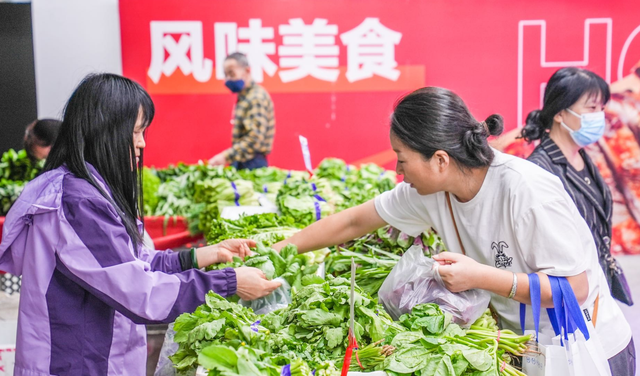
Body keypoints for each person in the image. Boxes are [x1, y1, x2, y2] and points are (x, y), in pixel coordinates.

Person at [272, 87, 634, 375]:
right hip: (531, 349)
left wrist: (481, 277)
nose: (398, 170)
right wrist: (277, 250)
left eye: (402, 158)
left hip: (588, 348)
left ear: (440, 160)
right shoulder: (431, 191)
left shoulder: (525, 191)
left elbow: (575, 287)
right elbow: (352, 222)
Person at [0, 73, 281, 376]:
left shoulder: (87, 190)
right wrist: (230, 282)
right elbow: (140, 292)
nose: (142, 143)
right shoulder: (77, 202)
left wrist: (202, 255)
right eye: (135, 132)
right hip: (75, 364)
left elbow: (134, 262)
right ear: (105, 131)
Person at [522, 67, 634, 311]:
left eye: (602, 108)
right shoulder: (539, 170)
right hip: (572, 295)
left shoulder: (583, 157)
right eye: (591, 109)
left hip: (598, 284)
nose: (600, 116)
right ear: (561, 113)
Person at [208, 52, 275, 170]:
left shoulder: (256, 98)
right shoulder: (245, 97)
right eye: (226, 75)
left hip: (252, 163)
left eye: (232, 74)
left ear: (247, 71)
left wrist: (225, 157)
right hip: (241, 160)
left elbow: (255, 139)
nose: (228, 79)